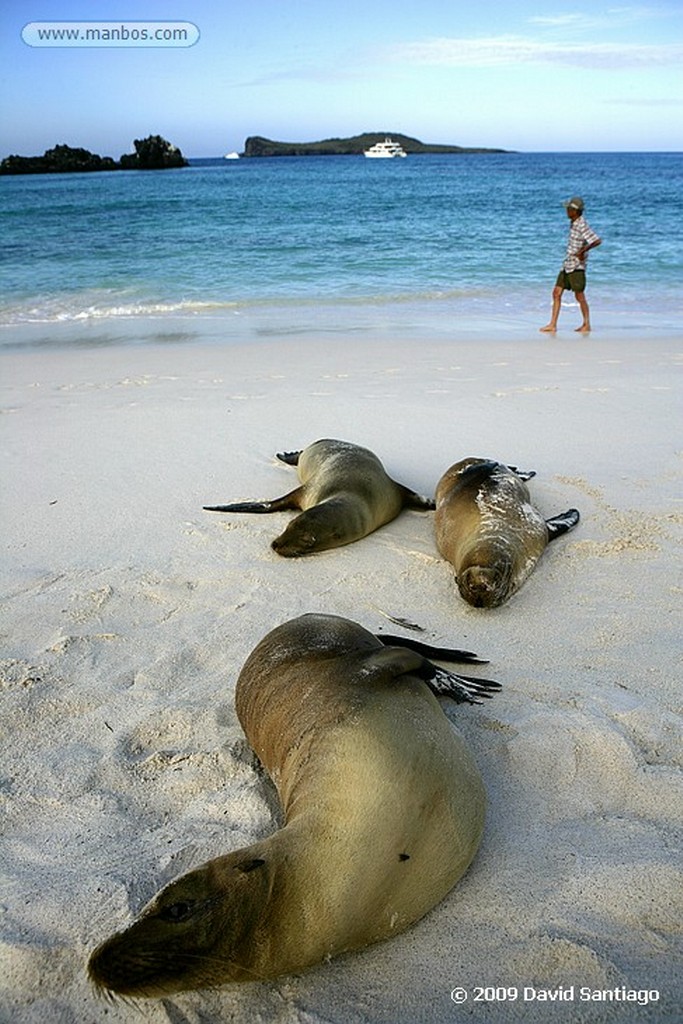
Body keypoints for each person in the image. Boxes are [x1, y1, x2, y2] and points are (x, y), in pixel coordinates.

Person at [540, 196, 602, 333]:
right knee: (556, 293)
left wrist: (582, 251)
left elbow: (597, 241)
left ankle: (586, 324)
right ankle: (552, 325)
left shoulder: (581, 224)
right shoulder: (574, 223)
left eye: (569, 209)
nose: (566, 211)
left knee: (579, 296)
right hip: (567, 264)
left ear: (575, 211)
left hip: (577, 266)